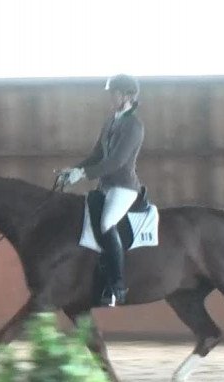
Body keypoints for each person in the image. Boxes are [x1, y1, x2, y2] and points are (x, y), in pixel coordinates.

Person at [61, 74, 145, 307]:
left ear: (127, 96)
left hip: (124, 187)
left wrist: (85, 174)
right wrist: (74, 170)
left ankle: (118, 285)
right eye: (111, 93)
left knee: (107, 223)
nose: (111, 97)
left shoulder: (134, 126)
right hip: (105, 186)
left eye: (115, 93)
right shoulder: (110, 121)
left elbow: (116, 161)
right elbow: (97, 155)